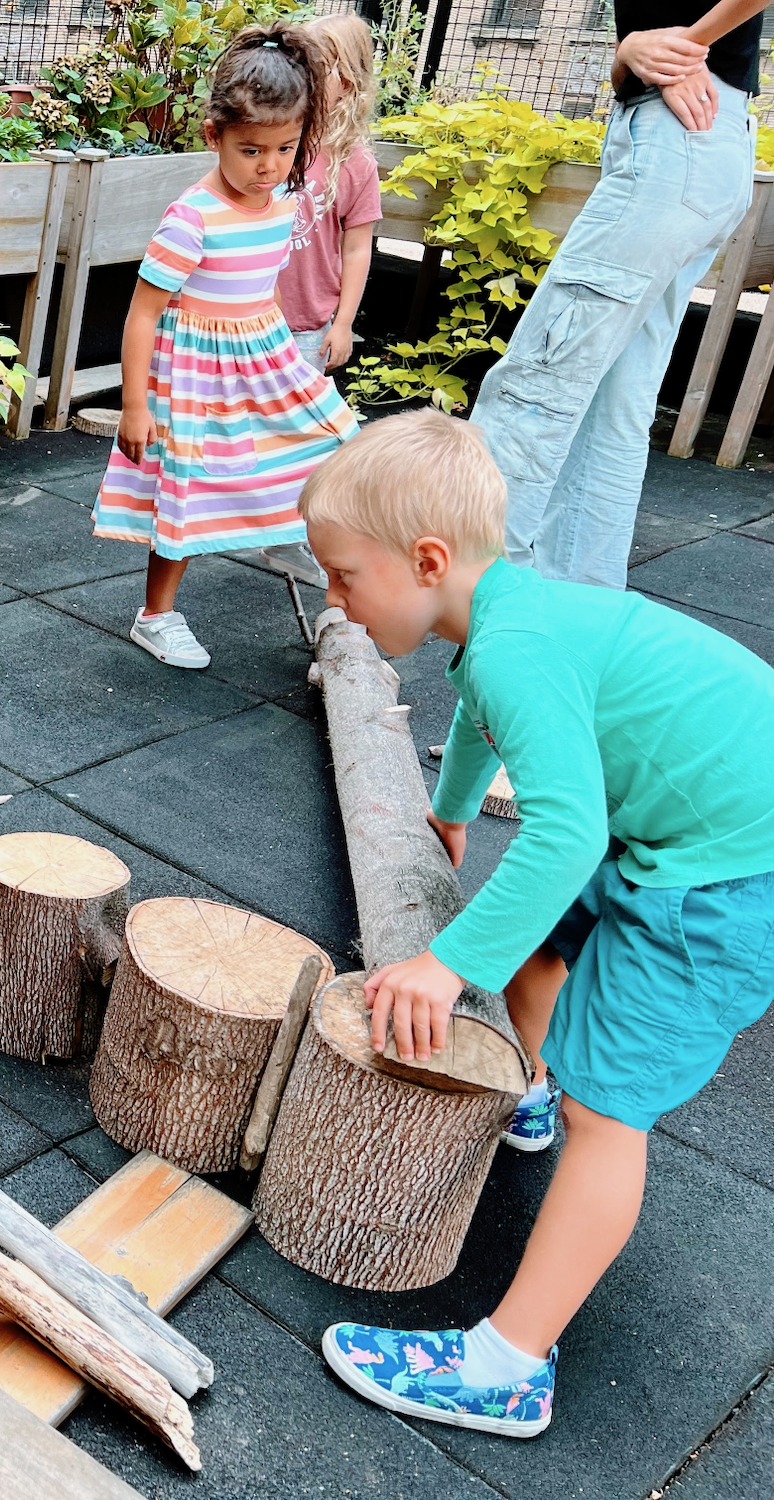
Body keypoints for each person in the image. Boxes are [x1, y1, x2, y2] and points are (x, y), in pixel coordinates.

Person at [299, 408, 774, 1437]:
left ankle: (506, 1366)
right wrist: (453, 812)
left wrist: (441, 961)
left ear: (427, 560)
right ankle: (538, 1092)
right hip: (687, 830)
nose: (333, 599)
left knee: (613, 1119)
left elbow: (564, 835)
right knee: (542, 950)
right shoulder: (504, 620)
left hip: (731, 875)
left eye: (344, 577)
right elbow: (479, 713)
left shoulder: (516, 644)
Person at [469, 0, 765, 589]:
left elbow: (671, 50)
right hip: (697, 143)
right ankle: (574, 628)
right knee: (612, 408)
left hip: (676, 140)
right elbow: (644, 45)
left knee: (535, 387)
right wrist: (631, 54)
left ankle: (478, 602)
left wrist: (686, 49)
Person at [93, 22, 358, 670]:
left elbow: (263, 285)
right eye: (251, 150)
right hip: (193, 371)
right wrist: (134, 405)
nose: (269, 165)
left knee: (332, 440)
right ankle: (156, 616)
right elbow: (141, 315)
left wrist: (282, 359)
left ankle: (286, 530)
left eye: (285, 148)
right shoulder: (192, 218)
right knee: (185, 487)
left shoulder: (283, 200)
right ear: (214, 136)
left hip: (261, 352)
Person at [280, 13, 381, 378]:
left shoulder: (354, 161)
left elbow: (356, 248)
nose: (305, 77)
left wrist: (343, 325)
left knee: (295, 426)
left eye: (318, 67)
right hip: (247, 314)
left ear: (349, 80)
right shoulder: (274, 138)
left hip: (308, 326)